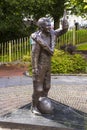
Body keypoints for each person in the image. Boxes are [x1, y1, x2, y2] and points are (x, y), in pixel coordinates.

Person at [30, 11, 69, 115]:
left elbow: (63, 30)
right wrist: (34, 68)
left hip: (48, 65)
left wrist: (65, 22)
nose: (50, 27)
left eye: (50, 25)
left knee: (47, 86)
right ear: (41, 27)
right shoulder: (38, 39)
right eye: (47, 26)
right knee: (38, 89)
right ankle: (34, 106)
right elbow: (34, 55)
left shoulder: (52, 33)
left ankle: (43, 102)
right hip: (40, 66)